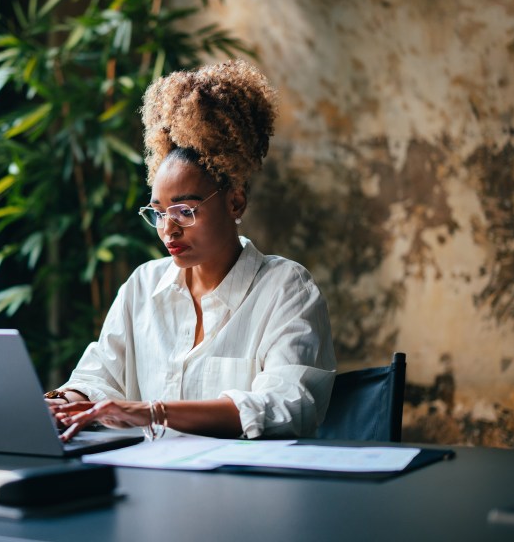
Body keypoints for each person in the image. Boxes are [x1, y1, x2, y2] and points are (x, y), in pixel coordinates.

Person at [46, 59, 336, 442]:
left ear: (235, 203)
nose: (168, 228)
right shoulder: (142, 287)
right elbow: (99, 376)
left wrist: (152, 412)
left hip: (245, 491)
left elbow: (288, 403)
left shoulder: (286, 289)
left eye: (185, 211)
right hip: (150, 483)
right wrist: (63, 401)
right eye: (159, 212)